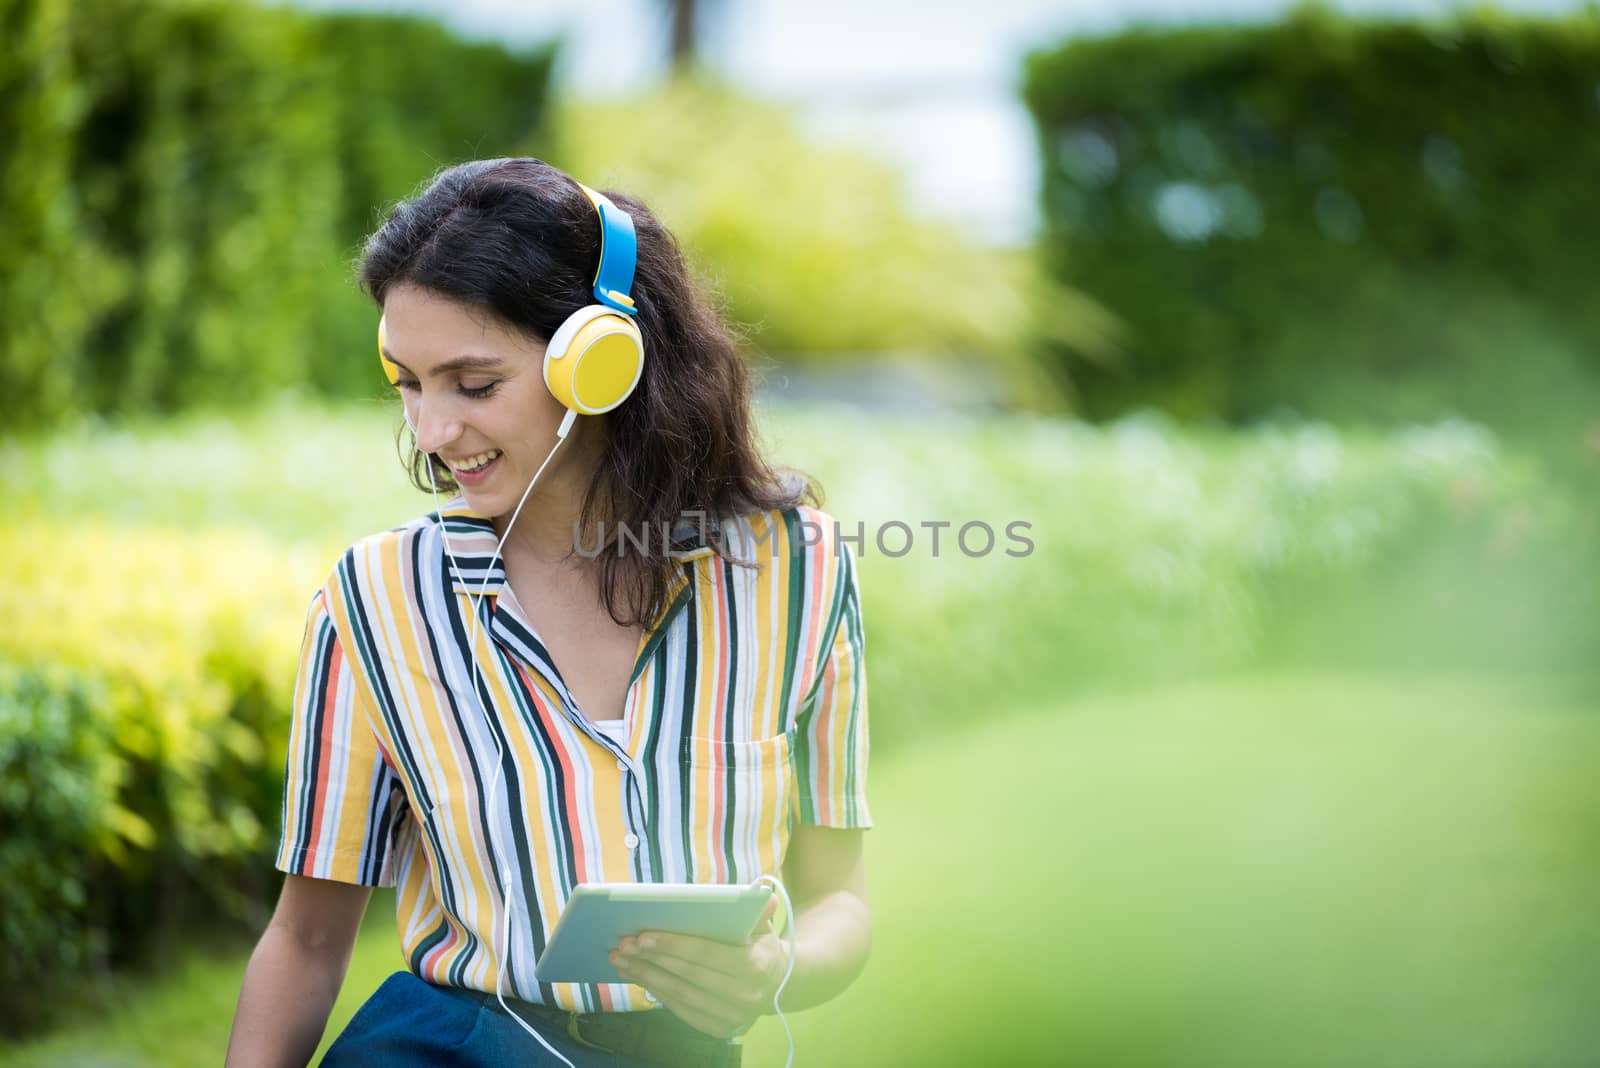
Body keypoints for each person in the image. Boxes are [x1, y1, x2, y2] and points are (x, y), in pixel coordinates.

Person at [225, 158, 871, 1067]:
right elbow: (307, 939)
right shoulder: (373, 601)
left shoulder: (795, 571)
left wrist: (778, 968)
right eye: (407, 383)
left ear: (602, 363)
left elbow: (840, 897)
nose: (431, 432)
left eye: (473, 384)